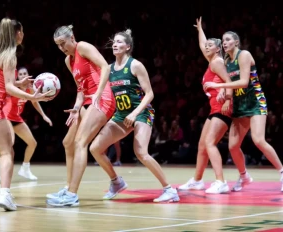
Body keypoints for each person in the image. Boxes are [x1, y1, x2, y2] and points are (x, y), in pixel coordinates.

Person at [0, 18, 52, 211]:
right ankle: (5, 194)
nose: (23, 35)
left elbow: (1, 84)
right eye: (22, 31)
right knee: (7, 152)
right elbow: (7, 87)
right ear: (18, 33)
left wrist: (19, 85)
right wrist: (33, 97)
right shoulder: (10, 54)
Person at [89, 29, 179, 202]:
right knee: (95, 149)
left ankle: (169, 190)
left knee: (141, 153)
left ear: (128, 47)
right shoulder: (108, 69)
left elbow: (150, 94)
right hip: (121, 115)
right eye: (114, 41)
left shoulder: (135, 65)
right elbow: (101, 93)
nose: (115, 44)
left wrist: (134, 113)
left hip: (141, 112)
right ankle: (116, 182)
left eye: (120, 42)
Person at [203, 31, 283, 192]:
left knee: (258, 139)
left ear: (236, 42)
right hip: (240, 105)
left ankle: (282, 171)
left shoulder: (244, 55)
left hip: (255, 102)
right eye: (223, 40)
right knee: (233, 146)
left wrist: (218, 87)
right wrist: (224, 92)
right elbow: (229, 80)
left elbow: (244, 82)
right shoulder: (226, 60)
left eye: (228, 40)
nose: (224, 43)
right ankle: (244, 176)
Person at [46, 25, 116, 207]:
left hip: (103, 98)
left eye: (63, 43)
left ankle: (72, 195)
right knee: (68, 143)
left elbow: (105, 68)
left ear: (72, 38)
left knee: (80, 142)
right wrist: (77, 107)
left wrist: (99, 94)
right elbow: (80, 89)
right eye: (58, 46)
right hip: (88, 101)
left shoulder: (83, 47)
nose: (62, 48)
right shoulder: (68, 61)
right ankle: (68, 186)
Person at [178, 17, 233, 194]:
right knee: (202, 145)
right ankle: (197, 180)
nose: (207, 47)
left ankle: (221, 182)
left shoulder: (217, 62)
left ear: (218, 49)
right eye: (207, 45)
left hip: (223, 108)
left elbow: (230, 81)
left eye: (211, 45)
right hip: (214, 109)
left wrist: (227, 99)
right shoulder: (212, 61)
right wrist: (200, 29)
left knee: (210, 143)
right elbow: (203, 45)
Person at [0, 67, 53, 181]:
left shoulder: (30, 89)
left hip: (16, 118)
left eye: (25, 73)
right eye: (21, 74)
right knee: (9, 143)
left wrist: (44, 115)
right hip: (6, 116)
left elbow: (34, 101)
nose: (23, 75)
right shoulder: (13, 87)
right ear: (17, 77)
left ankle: (25, 169)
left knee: (32, 143)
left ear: (28, 75)